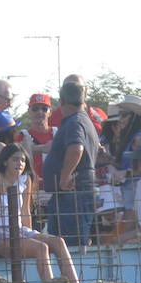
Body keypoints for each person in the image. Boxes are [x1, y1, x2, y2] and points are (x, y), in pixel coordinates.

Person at [0, 143, 80, 283]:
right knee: (41, 248)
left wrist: (29, 237)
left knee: (58, 242)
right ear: (5, 162)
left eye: (23, 160)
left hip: (18, 230)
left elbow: (25, 212)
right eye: (15, 159)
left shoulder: (25, 179)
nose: (20, 163)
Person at [41, 80, 101, 248]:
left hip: (72, 193)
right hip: (76, 192)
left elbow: (76, 148)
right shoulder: (84, 120)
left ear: (61, 102)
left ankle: (70, 275)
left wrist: (64, 176)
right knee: (67, 244)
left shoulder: (74, 121)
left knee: (69, 246)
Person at [21, 93, 54, 180]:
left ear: (50, 112)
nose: (40, 112)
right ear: (29, 111)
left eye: (44, 109)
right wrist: (42, 148)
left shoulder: (58, 133)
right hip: (32, 188)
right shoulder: (22, 136)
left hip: (56, 187)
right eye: (35, 108)